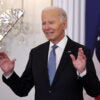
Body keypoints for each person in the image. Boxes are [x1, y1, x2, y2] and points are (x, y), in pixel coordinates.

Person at [0, 6, 100, 100]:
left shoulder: (80, 52)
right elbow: (22, 90)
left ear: (64, 24)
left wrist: (82, 72)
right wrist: (9, 73)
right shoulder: (36, 53)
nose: (46, 27)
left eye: (51, 22)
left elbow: (94, 91)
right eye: (44, 23)